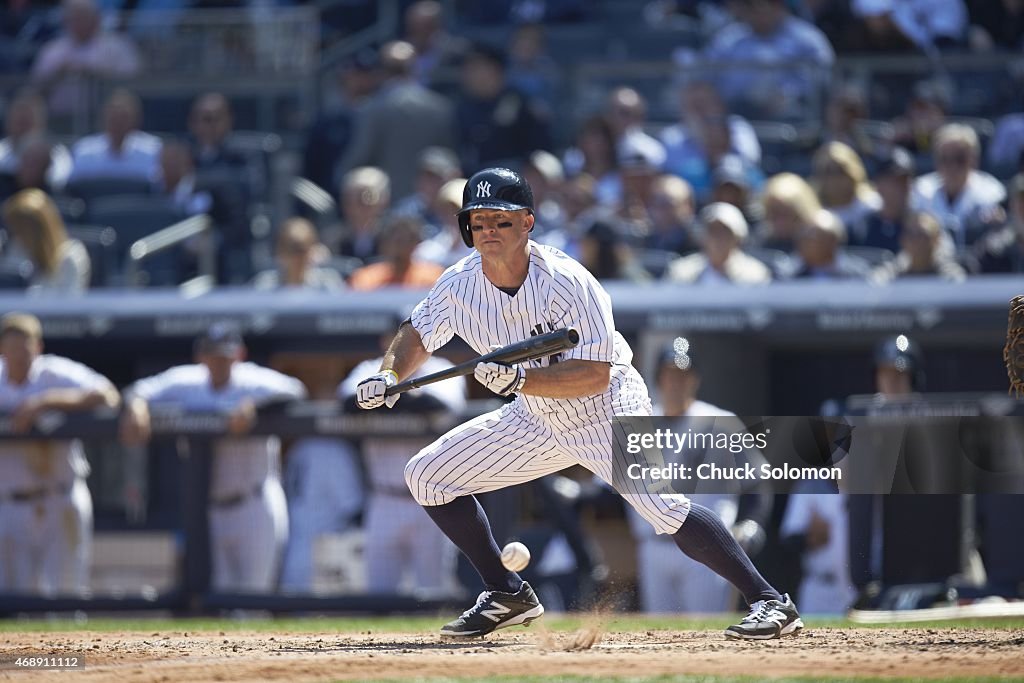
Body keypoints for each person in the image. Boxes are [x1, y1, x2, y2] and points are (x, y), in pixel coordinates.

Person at [354, 167, 802, 639]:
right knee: (428, 475)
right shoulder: (458, 282)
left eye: (501, 221)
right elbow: (417, 332)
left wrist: (520, 378)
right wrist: (388, 374)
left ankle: (770, 601)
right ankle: (506, 592)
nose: (489, 230)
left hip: (606, 406)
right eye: (479, 220)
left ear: (527, 223)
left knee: (662, 508)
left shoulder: (568, 280)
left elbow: (594, 373)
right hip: (536, 417)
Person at [120, 324, 308, 593]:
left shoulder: (253, 380)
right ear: (201, 356)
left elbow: (296, 391)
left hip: (254, 503)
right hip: (207, 507)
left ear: (239, 355)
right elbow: (138, 389)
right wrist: (136, 405)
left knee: (255, 595)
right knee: (212, 597)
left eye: (225, 356)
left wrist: (256, 407)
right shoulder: (187, 380)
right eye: (213, 355)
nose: (219, 362)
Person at [631, 338, 772, 613]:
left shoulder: (720, 422)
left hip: (708, 550)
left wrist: (753, 522)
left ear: (695, 380)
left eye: (683, 375)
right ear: (658, 379)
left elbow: (757, 480)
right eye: (670, 374)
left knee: (708, 631)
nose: (676, 383)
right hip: (654, 547)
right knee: (658, 638)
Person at [0, 312, 119, 596]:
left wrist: (45, 402)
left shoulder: (53, 373)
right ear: (2, 349)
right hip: (12, 501)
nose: (20, 354)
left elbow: (108, 395)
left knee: (68, 595)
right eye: (13, 347)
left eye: (25, 346)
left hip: (61, 498)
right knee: (13, 601)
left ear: (38, 347)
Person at [338, 340, 464, 596]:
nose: (409, 346)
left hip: (432, 500)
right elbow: (348, 402)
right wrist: (408, 398)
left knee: (434, 590)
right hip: (384, 497)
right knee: (378, 592)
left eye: (418, 340)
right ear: (388, 343)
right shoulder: (370, 369)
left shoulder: (441, 368)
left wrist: (387, 400)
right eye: (400, 339)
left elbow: (441, 404)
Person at [339, 41, 455, 201]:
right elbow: (448, 157)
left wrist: (341, 176)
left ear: (381, 71)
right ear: (415, 68)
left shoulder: (373, 109)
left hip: (385, 201)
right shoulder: (439, 107)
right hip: (430, 200)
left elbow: (361, 155)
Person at [30, 0, 141, 122]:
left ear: (96, 18)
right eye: (74, 18)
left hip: (104, 121)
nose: (78, 22)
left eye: (83, 17)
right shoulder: (52, 49)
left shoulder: (118, 46)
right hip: (58, 119)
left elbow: (132, 79)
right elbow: (36, 85)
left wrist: (97, 74)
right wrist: (58, 73)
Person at [911, 123, 1006, 248]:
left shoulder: (991, 191)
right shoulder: (920, 189)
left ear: (974, 160)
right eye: (945, 159)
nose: (952, 166)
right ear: (935, 160)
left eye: (960, 159)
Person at [2, 188, 90, 293]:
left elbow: (68, 302)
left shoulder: (70, 257)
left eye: (20, 230)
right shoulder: (16, 249)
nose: (15, 236)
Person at [67, 88, 161, 183]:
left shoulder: (153, 151)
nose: (118, 122)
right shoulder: (84, 151)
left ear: (136, 119)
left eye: (123, 117)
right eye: (113, 116)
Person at [665, 202, 771, 285]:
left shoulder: (755, 274)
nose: (718, 238)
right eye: (713, 231)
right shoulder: (681, 271)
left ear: (737, 238)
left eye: (725, 232)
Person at [810, 141, 881, 245]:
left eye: (840, 171)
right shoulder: (813, 212)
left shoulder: (872, 206)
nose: (833, 179)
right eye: (826, 172)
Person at [348, 215, 444, 290]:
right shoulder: (365, 279)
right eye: (394, 240)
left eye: (404, 240)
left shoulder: (433, 277)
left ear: (415, 243)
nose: (398, 247)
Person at [0, 90, 72, 190]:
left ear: (41, 122)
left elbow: (58, 183)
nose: (22, 128)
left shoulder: (57, 153)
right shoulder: (1, 151)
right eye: (18, 121)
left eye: (27, 121)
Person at [870, 210, 967, 283]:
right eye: (910, 234)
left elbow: (957, 285)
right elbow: (876, 281)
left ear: (936, 240)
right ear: (903, 240)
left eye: (922, 235)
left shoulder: (947, 271)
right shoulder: (897, 269)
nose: (915, 241)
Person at [251, 218, 345, 292]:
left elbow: (339, 314)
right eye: (291, 249)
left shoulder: (328, 283)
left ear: (312, 250)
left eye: (302, 250)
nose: (297, 257)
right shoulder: (264, 284)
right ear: (279, 251)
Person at [855, 146, 915, 253]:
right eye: (896, 181)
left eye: (906, 180)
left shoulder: (922, 228)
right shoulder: (863, 228)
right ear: (878, 185)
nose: (904, 186)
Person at [787, 209, 872, 280]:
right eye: (803, 235)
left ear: (834, 240)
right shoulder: (787, 274)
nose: (807, 242)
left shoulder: (858, 274)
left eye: (815, 236)